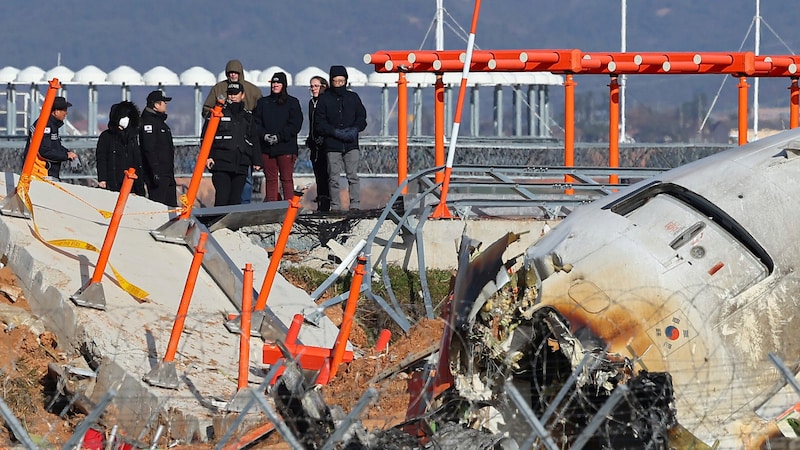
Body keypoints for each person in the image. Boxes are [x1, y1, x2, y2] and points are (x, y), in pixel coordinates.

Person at [202, 60, 263, 204]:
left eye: (236, 94)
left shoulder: (248, 115)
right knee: (222, 197)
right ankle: (218, 224)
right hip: (222, 160)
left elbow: (254, 137)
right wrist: (208, 156)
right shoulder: (218, 107)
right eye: (230, 93)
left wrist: (257, 160)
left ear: (243, 95)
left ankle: (236, 222)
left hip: (241, 161)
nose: (233, 96)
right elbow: (206, 135)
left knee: (238, 197)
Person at [314, 65, 367, 211]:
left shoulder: (353, 98)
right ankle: (335, 206)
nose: (338, 84)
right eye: (336, 81)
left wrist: (355, 129)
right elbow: (319, 122)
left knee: (353, 176)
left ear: (346, 81)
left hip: (351, 144)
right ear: (331, 81)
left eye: (341, 81)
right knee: (333, 178)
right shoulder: (324, 99)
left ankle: (355, 205)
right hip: (332, 144)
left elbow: (362, 117)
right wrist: (334, 132)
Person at [253, 72, 303, 202]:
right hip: (267, 148)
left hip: (286, 147)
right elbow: (256, 123)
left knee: (286, 179)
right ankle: (272, 207)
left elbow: (295, 124)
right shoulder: (263, 103)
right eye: (273, 83)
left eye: (278, 83)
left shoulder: (292, 103)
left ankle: (289, 208)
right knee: (271, 180)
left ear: (284, 85)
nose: (275, 85)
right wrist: (264, 135)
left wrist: (279, 137)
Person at [95, 101, 146, 196]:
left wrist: (140, 185)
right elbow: (101, 158)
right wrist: (102, 179)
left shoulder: (132, 137)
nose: (126, 119)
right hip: (113, 183)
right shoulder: (106, 136)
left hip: (131, 183)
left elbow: (137, 160)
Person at [140, 90, 177, 207]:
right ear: (156, 105)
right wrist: (155, 172)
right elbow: (149, 149)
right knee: (158, 206)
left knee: (171, 207)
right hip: (158, 174)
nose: (166, 105)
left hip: (168, 173)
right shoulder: (149, 123)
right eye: (163, 102)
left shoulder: (161, 123)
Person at [29, 96, 78, 181]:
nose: (66, 113)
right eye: (64, 110)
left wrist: (68, 153)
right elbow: (44, 151)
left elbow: (54, 146)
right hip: (41, 173)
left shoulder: (50, 124)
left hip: (45, 172)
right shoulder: (46, 126)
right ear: (56, 112)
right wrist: (66, 155)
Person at [305, 76, 330, 212]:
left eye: (316, 86)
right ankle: (321, 202)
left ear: (323, 86)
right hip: (315, 146)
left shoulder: (327, 101)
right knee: (319, 175)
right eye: (312, 86)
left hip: (326, 145)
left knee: (327, 175)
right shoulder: (311, 103)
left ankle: (327, 204)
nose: (313, 89)